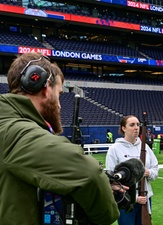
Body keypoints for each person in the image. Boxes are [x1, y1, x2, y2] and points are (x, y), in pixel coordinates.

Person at [0, 52, 119, 225]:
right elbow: (89, 173)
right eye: (60, 94)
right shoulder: (12, 132)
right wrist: (105, 216)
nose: (59, 104)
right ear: (44, 86)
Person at [106, 115, 159, 225]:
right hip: (125, 200)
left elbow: (155, 169)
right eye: (132, 125)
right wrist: (134, 198)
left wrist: (147, 172)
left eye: (138, 125)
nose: (136, 127)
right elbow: (112, 179)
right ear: (123, 128)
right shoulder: (115, 149)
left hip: (145, 198)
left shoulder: (145, 147)